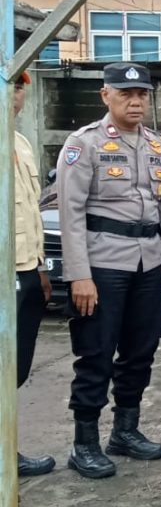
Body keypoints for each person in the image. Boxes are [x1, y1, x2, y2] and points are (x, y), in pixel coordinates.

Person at [57, 62, 161, 479]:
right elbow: (70, 212)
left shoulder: (158, 146)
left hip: (149, 263)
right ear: (105, 96)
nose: (135, 101)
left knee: (141, 350)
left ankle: (125, 431)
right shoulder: (84, 144)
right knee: (96, 352)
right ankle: (85, 444)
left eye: (142, 95)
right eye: (125, 94)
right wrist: (79, 274)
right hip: (102, 263)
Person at [12, 70, 54, 476]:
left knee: (16, 368)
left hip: (25, 271)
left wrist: (40, 270)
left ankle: (9, 450)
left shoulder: (21, 144)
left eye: (18, 86)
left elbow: (30, 215)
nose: (16, 93)